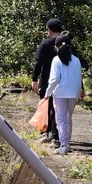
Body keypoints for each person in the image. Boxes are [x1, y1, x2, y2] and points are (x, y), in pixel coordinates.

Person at [45, 35, 83, 154]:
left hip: (60, 93)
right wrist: (78, 91)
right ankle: (67, 142)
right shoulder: (76, 60)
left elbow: (54, 79)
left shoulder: (56, 60)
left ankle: (64, 144)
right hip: (73, 93)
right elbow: (79, 77)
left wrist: (48, 92)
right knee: (68, 117)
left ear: (57, 47)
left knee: (61, 120)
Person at [31, 18, 63, 146]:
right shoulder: (66, 42)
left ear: (49, 30)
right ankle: (56, 135)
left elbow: (38, 63)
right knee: (58, 109)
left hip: (46, 80)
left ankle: (45, 132)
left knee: (45, 107)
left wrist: (34, 78)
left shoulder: (45, 43)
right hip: (61, 81)